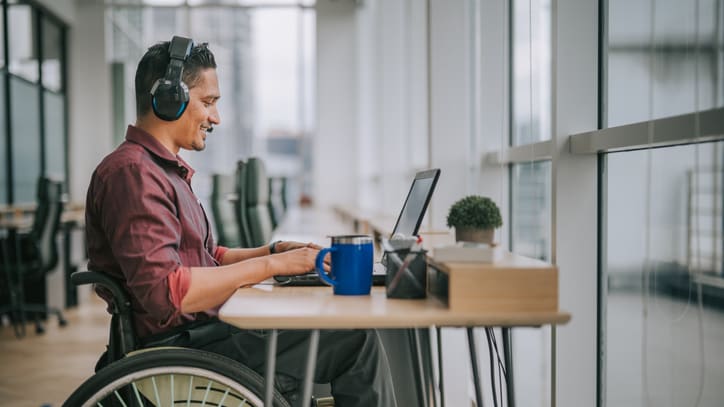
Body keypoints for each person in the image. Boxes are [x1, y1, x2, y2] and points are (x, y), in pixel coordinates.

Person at [85, 37, 397, 407]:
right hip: (183, 349)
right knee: (354, 340)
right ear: (169, 99)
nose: (215, 118)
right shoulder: (133, 174)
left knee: (338, 329)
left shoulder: (159, 170)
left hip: (205, 333)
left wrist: (275, 251)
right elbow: (167, 293)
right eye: (208, 102)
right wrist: (271, 265)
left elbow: (206, 256)